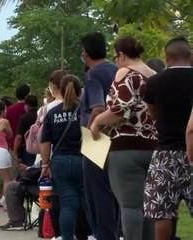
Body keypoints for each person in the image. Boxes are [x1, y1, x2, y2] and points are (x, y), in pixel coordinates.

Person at [91, 36, 157, 240]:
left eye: (115, 56)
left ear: (121, 55)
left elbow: (119, 110)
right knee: (148, 207)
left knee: (130, 206)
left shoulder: (125, 72)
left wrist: (97, 122)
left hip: (125, 147)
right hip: (153, 146)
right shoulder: (154, 74)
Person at [143, 36, 193, 240]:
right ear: (191, 56)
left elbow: (153, 115)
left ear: (167, 57)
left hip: (166, 154)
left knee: (162, 213)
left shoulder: (154, 82)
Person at [41, 74, 92, 240]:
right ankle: (98, 234)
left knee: (67, 205)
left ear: (60, 90)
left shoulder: (52, 113)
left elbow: (45, 143)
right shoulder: (87, 110)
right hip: (83, 160)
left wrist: (45, 166)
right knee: (89, 205)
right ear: (79, 90)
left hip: (60, 162)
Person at [80, 31, 119, 240]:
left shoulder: (93, 74)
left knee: (97, 194)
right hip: (118, 138)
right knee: (116, 192)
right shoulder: (118, 70)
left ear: (85, 53)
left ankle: (105, 235)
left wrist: (88, 130)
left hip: (97, 138)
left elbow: (97, 108)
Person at [13, 95, 39, 167]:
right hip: (41, 147)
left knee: (29, 171)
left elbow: (18, 137)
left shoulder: (23, 118)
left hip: (27, 149)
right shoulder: (42, 116)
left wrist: (15, 152)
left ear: (27, 106)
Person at [6, 83, 30, 151]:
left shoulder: (9, 110)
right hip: (29, 144)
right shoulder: (30, 109)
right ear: (27, 95)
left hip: (12, 144)